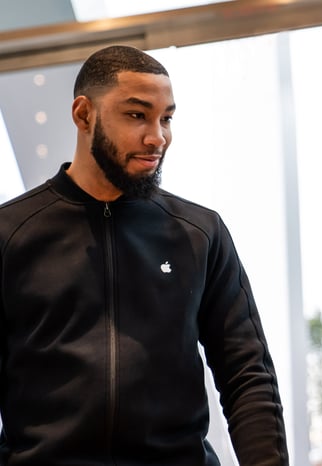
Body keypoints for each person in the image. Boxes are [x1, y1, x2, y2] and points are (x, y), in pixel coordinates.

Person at [0, 45, 288, 465]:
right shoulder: (11, 235)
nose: (158, 137)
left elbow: (248, 374)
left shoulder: (199, 232)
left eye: (166, 118)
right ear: (84, 115)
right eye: (137, 115)